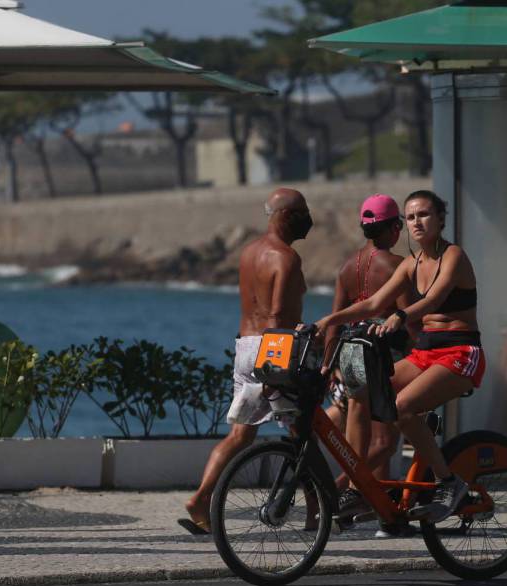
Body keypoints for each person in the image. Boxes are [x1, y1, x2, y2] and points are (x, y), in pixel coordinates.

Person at [313, 190, 481, 523]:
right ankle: (360, 487)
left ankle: (450, 482)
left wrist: (402, 316)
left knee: (403, 407)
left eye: (424, 215)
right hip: (425, 353)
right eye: (411, 217)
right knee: (363, 391)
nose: (417, 222)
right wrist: (330, 319)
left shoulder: (453, 256)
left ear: (441, 219)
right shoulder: (409, 263)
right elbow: (374, 304)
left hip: (460, 352)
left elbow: (433, 299)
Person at [179, 187, 313, 535]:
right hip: (274, 349)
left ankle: (200, 498)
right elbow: (278, 314)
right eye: (301, 212)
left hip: (245, 348)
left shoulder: (249, 252)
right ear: (283, 216)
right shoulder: (285, 258)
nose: (307, 219)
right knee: (303, 434)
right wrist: (277, 364)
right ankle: (316, 513)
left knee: (240, 434)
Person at [323, 194, 413, 530]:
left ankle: (385, 516)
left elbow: (335, 320)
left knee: (366, 442)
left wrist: (329, 365)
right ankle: (335, 495)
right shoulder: (395, 265)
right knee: (384, 443)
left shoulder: (347, 267)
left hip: (348, 356)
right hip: (382, 356)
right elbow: (410, 321)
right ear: (393, 228)